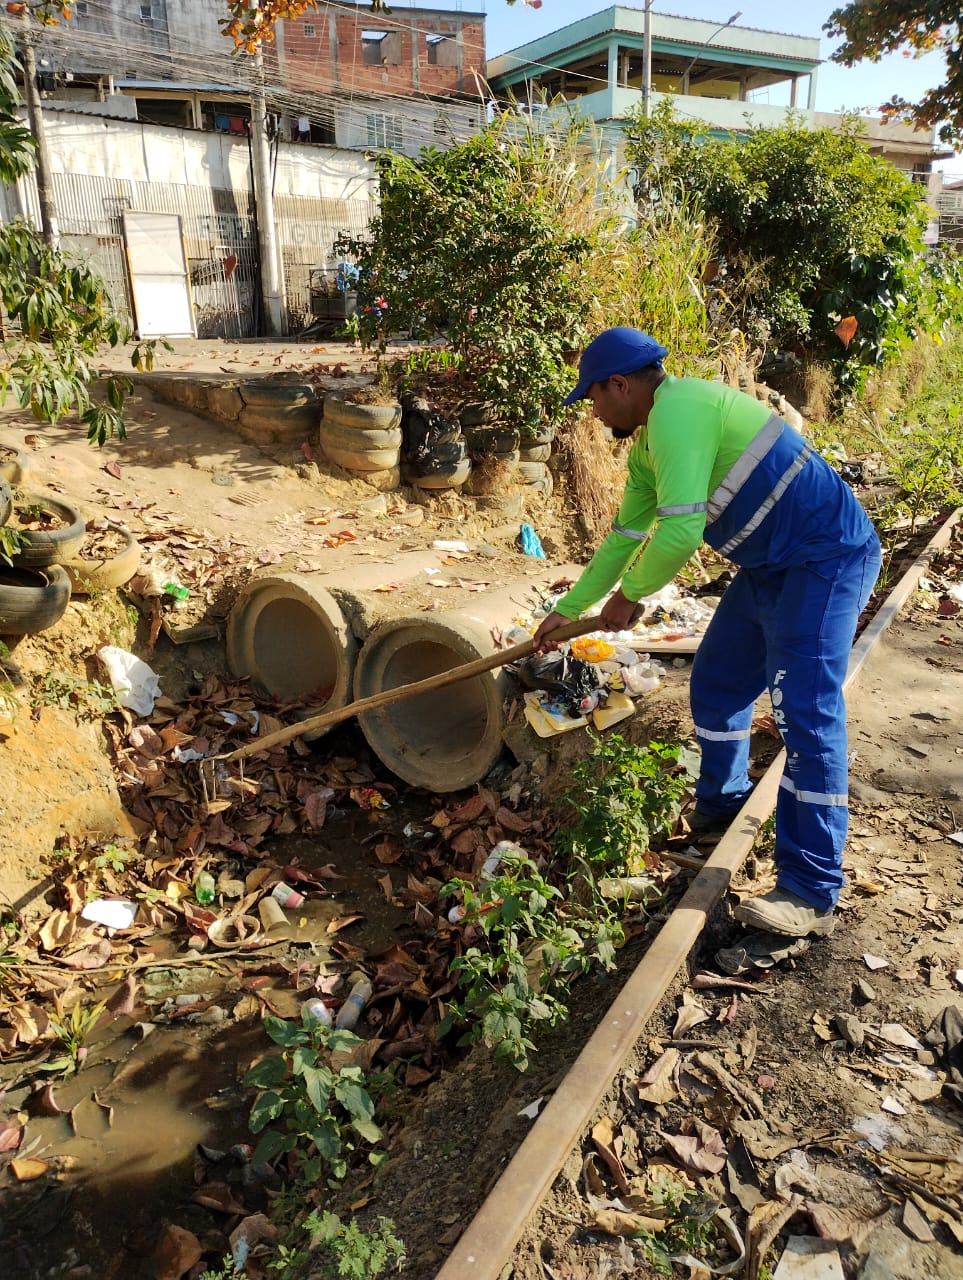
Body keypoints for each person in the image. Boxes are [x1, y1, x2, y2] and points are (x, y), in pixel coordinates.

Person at [533, 327, 881, 939]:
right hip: (771, 567)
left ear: (621, 385)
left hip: (825, 559)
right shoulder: (648, 449)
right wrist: (570, 609)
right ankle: (722, 805)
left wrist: (629, 601)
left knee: (805, 711)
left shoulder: (681, 412)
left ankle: (809, 887)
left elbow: (678, 537)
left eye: (593, 396)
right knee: (718, 682)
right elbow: (624, 538)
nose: (592, 410)